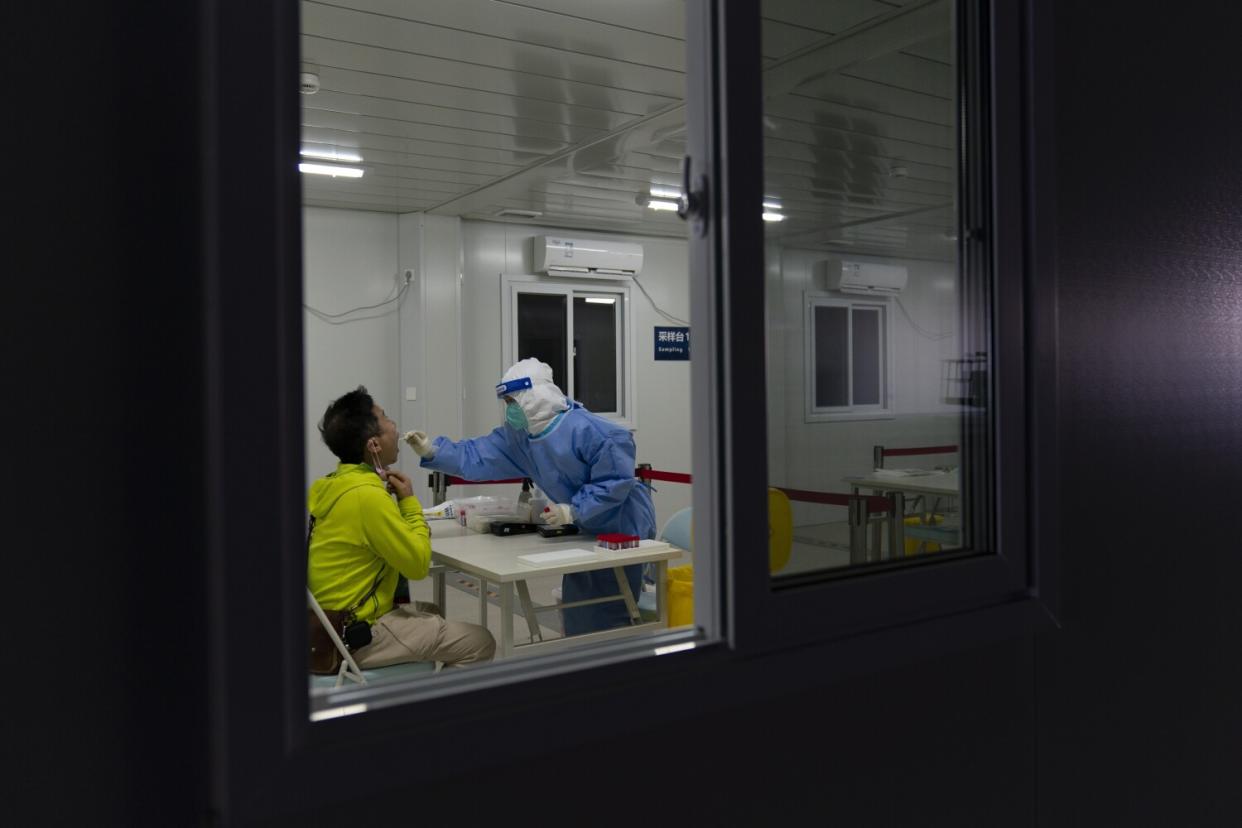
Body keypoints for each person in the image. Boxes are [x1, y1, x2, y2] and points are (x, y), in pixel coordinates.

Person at [405, 358, 657, 636]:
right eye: (507, 403)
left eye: (513, 401)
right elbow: (478, 455)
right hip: (586, 528)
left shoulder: (592, 431)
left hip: (621, 525)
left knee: (614, 608)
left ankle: (614, 668)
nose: (509, 410)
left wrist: (573, 510)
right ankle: (584, 662)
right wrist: (433, 452)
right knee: (580, 607)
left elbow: (614, 480)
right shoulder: (521, 439)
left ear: (533, 396)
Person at [308, 386, 495, 668]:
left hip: (323, 623)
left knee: (431, 611)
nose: (395, 427)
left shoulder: (331, 484)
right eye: (387, 419)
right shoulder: (367, 497)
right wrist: (408, 502)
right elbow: (418, 566)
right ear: (374, 445)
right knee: (479, 641)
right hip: (353, 634)